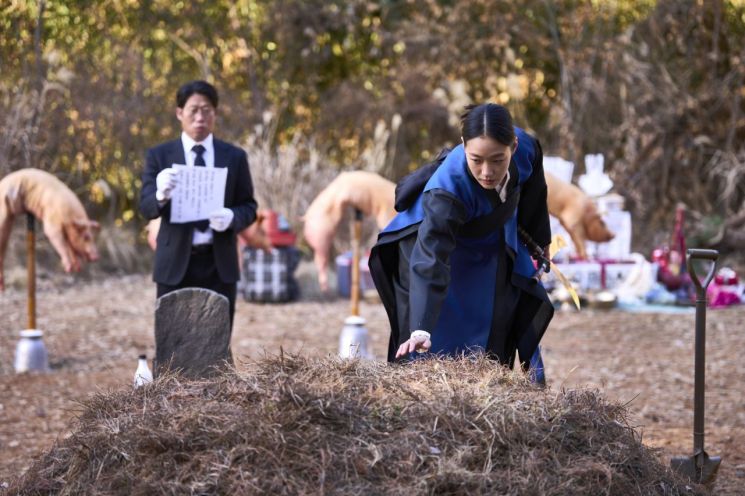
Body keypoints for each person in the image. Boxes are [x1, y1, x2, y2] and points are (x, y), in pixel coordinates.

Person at [369, 103, 553, 376]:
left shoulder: (525, 148)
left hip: (486, 240)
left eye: (497, 160)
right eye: (476, 159)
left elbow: (534, 194)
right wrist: (421, 328)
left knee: (496, 312)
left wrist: (540, 243)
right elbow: (430, 257)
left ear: (513, 147)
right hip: (429, 248)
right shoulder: (446, 193)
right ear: (463, 145)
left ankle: (491, 380)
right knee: (439, 336)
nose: (487, 172)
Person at [139, 80, 257, 325]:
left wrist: (232, 217)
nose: (200, 117)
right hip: (174, 263)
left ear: (215, 113)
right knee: (172, 341)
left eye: (207, 110)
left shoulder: (234, 156)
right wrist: (161, 194)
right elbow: (146, 207)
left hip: (219, 263)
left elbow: (249, 206)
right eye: (193, 110)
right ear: (179, 113)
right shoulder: (159, 156)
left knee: (217, 341)